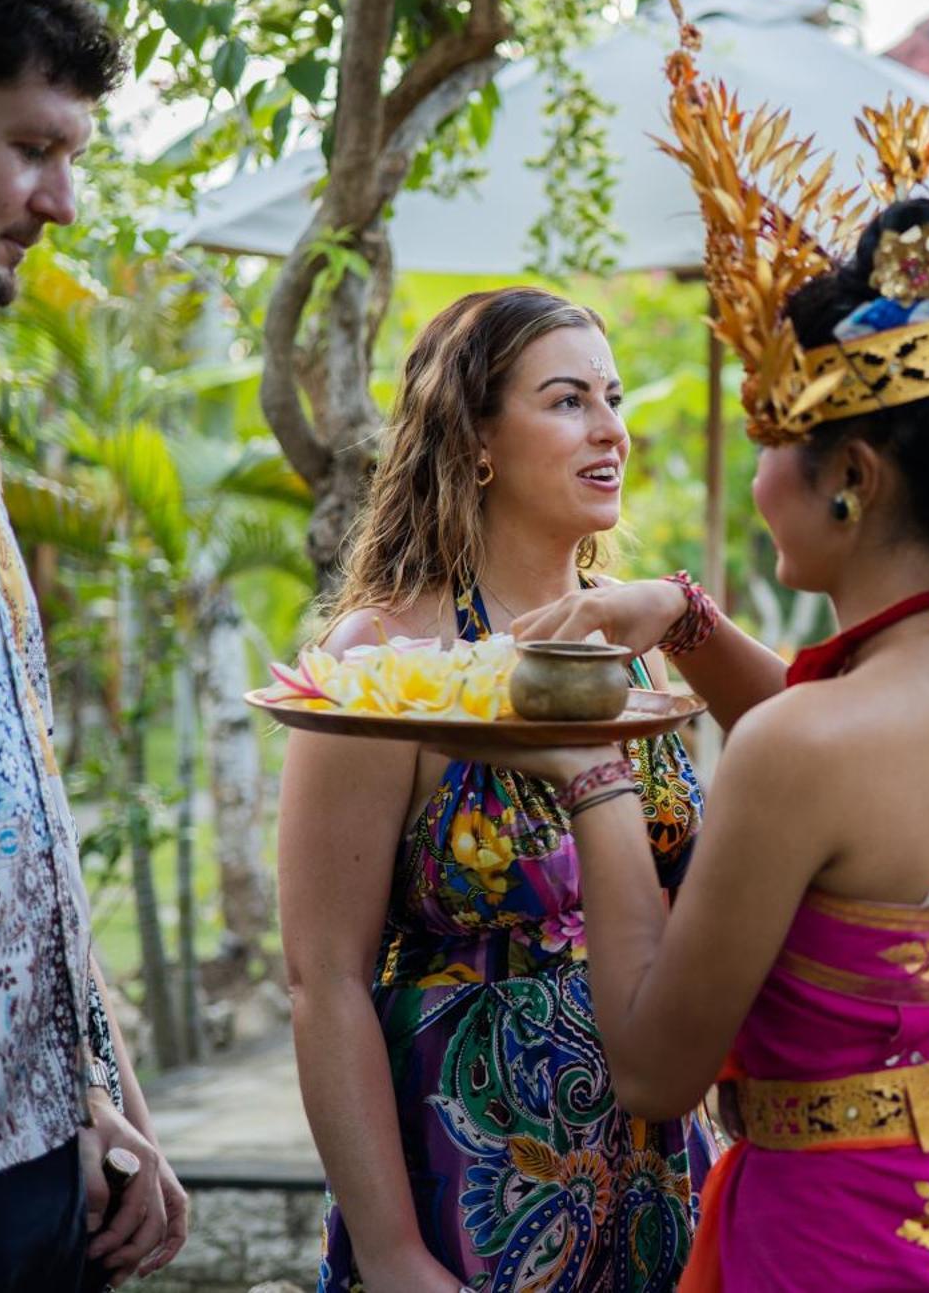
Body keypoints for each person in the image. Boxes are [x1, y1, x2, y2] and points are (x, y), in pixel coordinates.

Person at [433, 0, 929, 1290]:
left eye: (778, 442)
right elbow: (852, 789)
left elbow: (660, 1070)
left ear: (853, 478)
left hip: (845, 1233)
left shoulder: (803, 744)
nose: (758, 476)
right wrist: (690, 623)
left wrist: (593, 769)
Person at [276, 287, 711, 1292]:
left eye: (611, 396)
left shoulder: (630, 642)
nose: (612, 430)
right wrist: (390, 1252)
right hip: (470, 1174)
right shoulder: (385, 656)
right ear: (474, 437)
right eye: (567, 401)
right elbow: (322, 979)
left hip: (655, 1162)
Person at [0, 0, 187, 1286]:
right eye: (31, 148)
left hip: (34, 1157)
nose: (62, 201)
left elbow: (11, 802)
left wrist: (100, 1093)